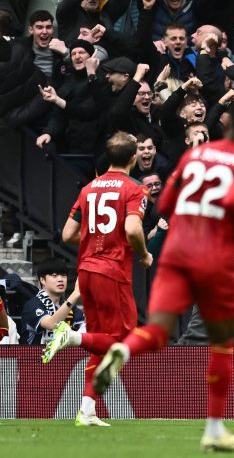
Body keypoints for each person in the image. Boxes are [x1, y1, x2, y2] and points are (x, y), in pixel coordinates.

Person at [92, 101, 234, 452]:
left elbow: (166, 202)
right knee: (222, 343)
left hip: (174, 250)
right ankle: (214, 427)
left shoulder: (193, 156)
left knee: (156, 331)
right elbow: (232, 205)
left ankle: (123, 350)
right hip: (211, 256)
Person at [42, 132, 154, 427]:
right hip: (112, 271)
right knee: (122, 339)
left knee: (102, 340)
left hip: (86, 270)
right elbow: (132, 229)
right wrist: (143, 254)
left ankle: (87, 410)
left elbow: (67, 235)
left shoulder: (89, 188)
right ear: (133, 158)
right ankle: (70, 337)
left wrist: (96, 239)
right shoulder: (135, 189)